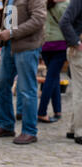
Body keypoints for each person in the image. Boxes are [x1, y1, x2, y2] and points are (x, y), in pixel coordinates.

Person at [0, 0, 47, 145]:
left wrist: (12, 33)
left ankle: (29, 131)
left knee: (27, 90)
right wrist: (1, 35)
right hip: (9, 46)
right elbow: (10, 18)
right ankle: (6, 125)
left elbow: (39, 19)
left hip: (27, 47)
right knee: (1, 86)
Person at [37, 0, 69, 123]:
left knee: (53, 76)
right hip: (60, 44)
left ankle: (57, 110)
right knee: (51, 78)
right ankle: (42, 111)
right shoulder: (65, 5)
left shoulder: (43, 4)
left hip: (45, 44)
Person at [59, 0, 82, 145]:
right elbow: (64, 22)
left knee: (79, 90)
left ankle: (73, 128)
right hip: (79, 51)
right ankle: (80, 131)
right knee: (80, 92)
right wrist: (76, 42)